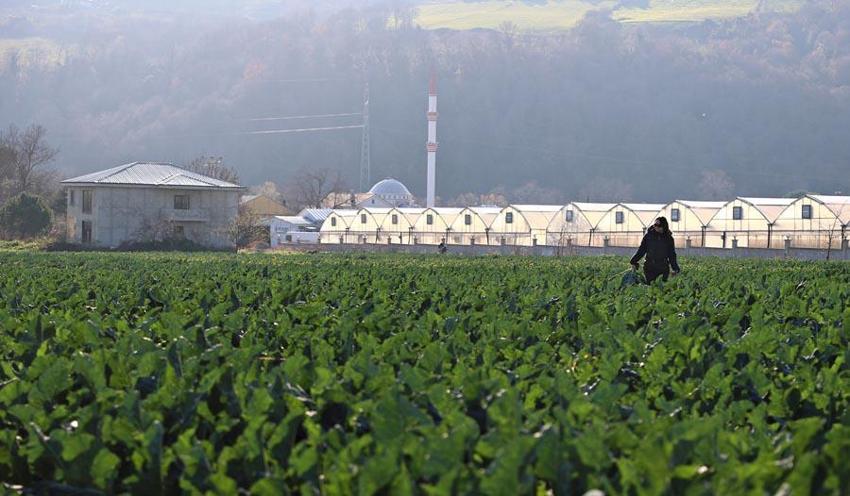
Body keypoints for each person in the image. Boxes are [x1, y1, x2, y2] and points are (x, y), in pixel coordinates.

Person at [630, 216, 680, 283]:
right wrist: (633, 261)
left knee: (662, 286)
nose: (656, 227)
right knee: (650, 286)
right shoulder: (648, 236)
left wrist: (675, 268)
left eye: (658, 225)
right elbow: (641, 250)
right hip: (649, 267)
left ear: (664, 226)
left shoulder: (669, 238)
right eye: (655, 225)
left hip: (663, 267)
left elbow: (672, 255)